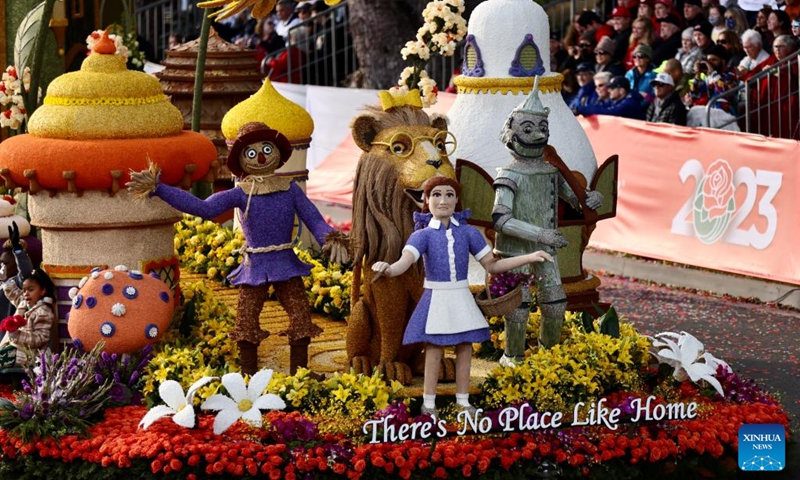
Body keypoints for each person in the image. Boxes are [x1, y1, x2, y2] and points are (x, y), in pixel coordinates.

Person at [127, 122, 349, 375]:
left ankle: (301, 374)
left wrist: (330, 238)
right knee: (246, 321)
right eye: (252, 153)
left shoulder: (289, 190)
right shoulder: (241, 193)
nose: (262, 157)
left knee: (300, 317)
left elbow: (315, 219)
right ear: (242, 160)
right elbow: (205, 208)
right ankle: (248, 376)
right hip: (255, 267)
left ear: (277, 152)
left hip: (286, 264)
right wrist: (160, 189)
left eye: (266, 149)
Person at [372, 177, 553, 416]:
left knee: (465, 346)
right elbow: (404, 263)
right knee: (435, 348)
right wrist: (388, 268)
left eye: (449, 194)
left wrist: (529, 257)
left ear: (457, 200)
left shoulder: (469, 233)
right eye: (436, 194)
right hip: (436, 297)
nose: (443, 200)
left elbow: (492, 265)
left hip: (460, 296)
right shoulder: (422, 236)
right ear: (426, 200)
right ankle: (429, 403)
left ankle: (463, 401)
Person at [493, 78, 604, 364]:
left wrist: (589, 198)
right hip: (515, 251)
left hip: (547, 252)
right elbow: (502, 220)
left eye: (541, 128)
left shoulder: (550, 171)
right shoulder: (508, 174)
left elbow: (573, 197)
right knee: (518, 306)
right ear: (512, 133)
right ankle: (513, 357)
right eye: (527, 129)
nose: (536, 134)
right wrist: (541, 234)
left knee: (555, 303)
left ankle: (547, 359)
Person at [0, 268, 55, 369]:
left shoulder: (43, 311)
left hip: (28, 356)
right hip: (14, 350)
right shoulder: (27, 304)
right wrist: (6, 282)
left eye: (31, 290)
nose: (26, 293)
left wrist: (16, 334)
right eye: (24, 290)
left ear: (42, 291)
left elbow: (40, 338)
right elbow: (16, 296)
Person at [576, 75, 646, 119]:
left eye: (612, 88)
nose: (609, 90)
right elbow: (601, 107)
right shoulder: (615, 100)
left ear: (622, 90)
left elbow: (610, 112)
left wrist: (581, 109)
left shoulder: (630, 102)